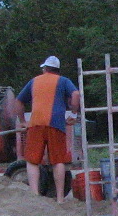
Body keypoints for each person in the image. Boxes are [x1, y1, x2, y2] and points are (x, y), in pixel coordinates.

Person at [16, 56, 81, 203]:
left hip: (36, 123)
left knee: (32, 160)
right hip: (57, 124)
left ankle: (34, 196)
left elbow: (19, 101)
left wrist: (22, 122)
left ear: (45, 68)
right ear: (58, 70)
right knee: (58, 161)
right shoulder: (63, 81)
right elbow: (76, 94)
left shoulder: (34, 81)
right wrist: (73, 114)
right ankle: (59, 199)